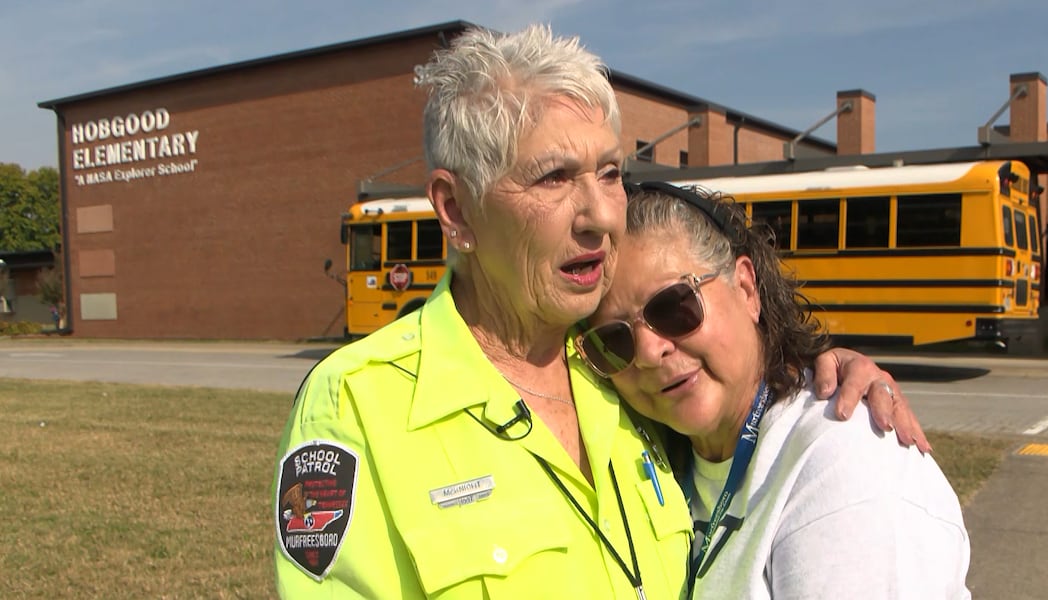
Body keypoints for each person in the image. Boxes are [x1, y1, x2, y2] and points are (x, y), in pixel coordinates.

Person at [273, 24, 925, 598]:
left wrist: (810, 369)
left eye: (610, 173)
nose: (600, 218)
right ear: (456, 209)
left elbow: (741, 424)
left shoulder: (620, 367)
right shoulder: (361, 405)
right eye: (553, 178)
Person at [578, 182, 971, 599]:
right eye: (614, 341)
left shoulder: (842, 456)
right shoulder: (656, 462)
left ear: (746, 289)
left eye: (673, 307)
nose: (649, 351)